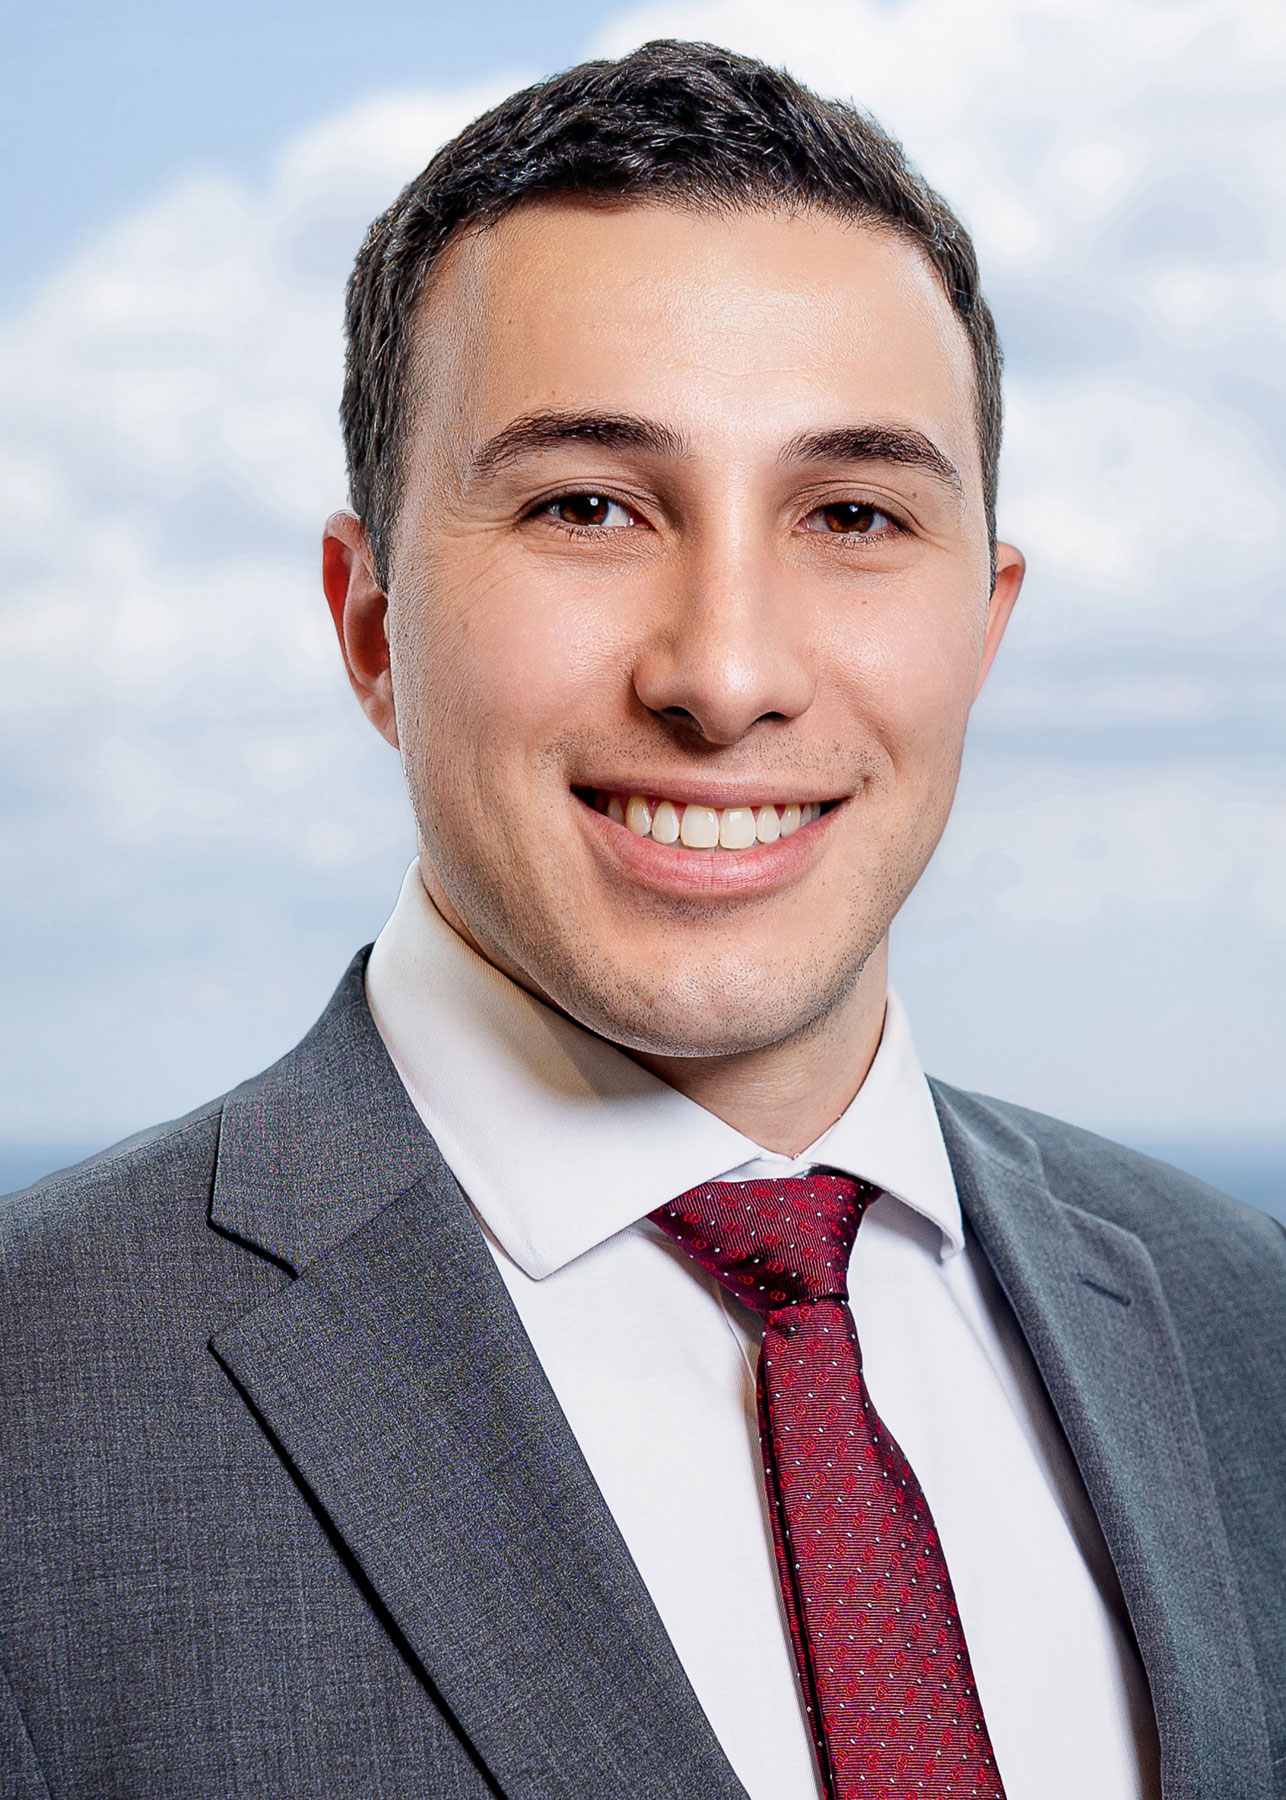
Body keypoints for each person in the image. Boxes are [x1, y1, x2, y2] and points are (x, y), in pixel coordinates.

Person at [1, 38, 1282, 1800]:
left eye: (853, 513)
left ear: (981, 632)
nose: (724, 675)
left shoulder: (1241, 1323)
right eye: (587, 506)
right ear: (370, 624)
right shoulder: (38, 1408)